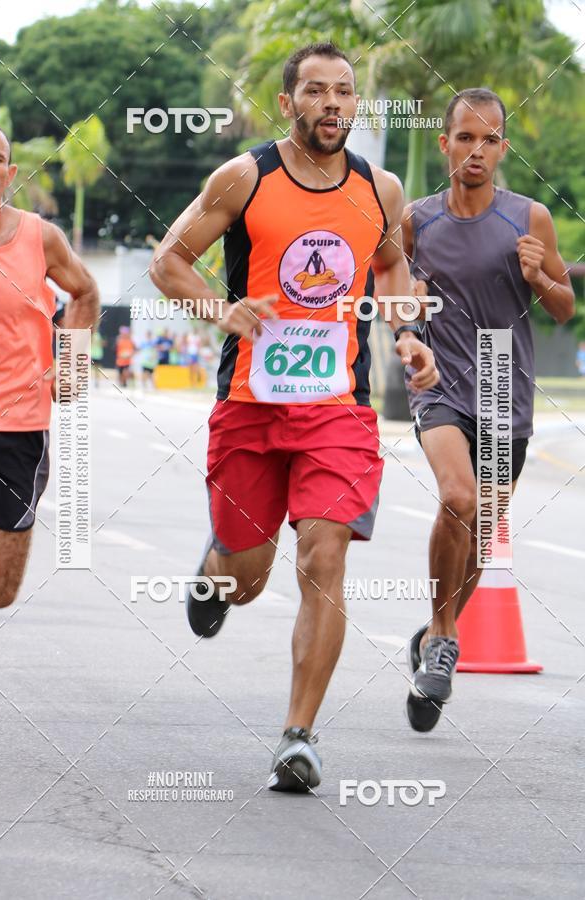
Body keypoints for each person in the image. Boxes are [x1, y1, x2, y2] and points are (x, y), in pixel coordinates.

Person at [151, 42, 439, 792]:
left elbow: (389, 263)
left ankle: (297, 736)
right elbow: (168, 261)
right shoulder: (245, 177)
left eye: (344, 91)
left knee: (325, 556)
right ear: (289, 104)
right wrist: (224, 311)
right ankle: (216, 570)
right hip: (249, 405)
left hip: (337, 408)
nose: (333, 104)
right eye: (316, 91)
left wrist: (407, 334)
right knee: (246, 579)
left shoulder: (381, 186)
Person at [400, 88, 575, 731]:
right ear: (444, 143)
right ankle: (444, 636)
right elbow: (399, 304)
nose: (477, 150)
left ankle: (429, 638)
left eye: (490, 139)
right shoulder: (416, 220)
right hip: (441, 384)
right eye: (465, 138)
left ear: (503, 147)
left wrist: (543, 278)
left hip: (505, 387)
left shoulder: (529, 218)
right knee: (458, 499)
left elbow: (564, 309)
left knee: (482, 535)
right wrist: (407, 332)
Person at [0, 118, 99, 609]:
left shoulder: (40, 237)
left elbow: (86, 291)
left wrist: (68, 366)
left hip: (18, 428)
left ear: (9, 175)